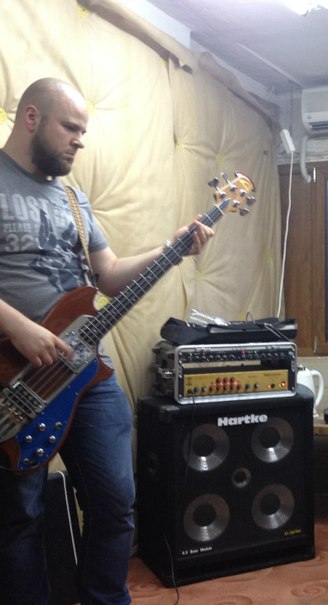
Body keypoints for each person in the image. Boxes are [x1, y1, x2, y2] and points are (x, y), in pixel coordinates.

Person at [0, 78, 215, 604]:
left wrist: (172, 250)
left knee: (117, 501)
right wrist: (20, 327)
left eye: (83, 130)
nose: (80, 140)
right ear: (31, 118)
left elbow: (109, 274)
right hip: (13, 374)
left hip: (83, 371)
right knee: (21, 516)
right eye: (70, 128)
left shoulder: (74, 199)